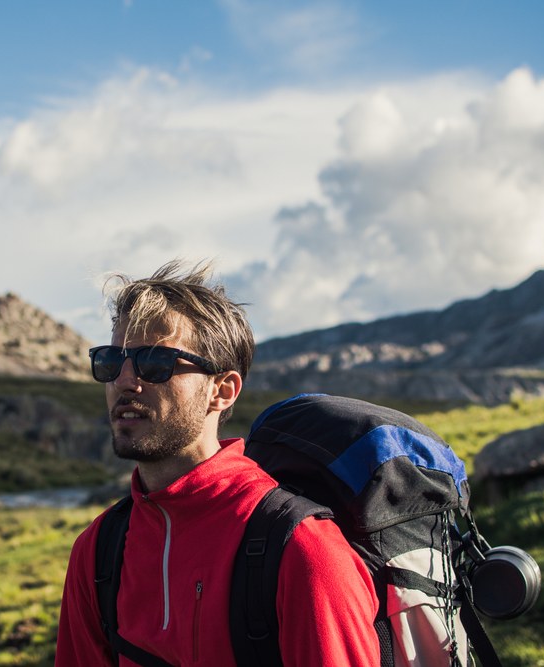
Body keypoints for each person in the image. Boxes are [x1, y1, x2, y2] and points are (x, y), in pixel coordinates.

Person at [55, 260, 379, 666]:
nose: (124, 381)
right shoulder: (98, 550)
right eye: (110, 362)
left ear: (222, 390)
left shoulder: (302, 551)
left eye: (155, 363)